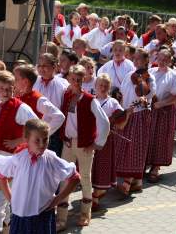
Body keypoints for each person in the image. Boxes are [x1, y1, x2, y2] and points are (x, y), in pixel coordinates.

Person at [0, 119, 80, 233]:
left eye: (45, 139)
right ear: (26, 139)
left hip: (42, 215)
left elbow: (75, 177)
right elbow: (2, 177)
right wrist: (12, 199)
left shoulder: (51, 158)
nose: (42, 144)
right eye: (37, 140)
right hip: (19, 215)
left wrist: (58, 199)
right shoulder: (19, 158)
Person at [56, 65, 110, 230]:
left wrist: (96, 143)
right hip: (68, 143)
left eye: (79, 79)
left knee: (85, 178)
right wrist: (63, 137)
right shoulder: (65, 96)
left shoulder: (89, 99)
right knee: (65, 179)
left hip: (84, 145)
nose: (76, 82)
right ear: (68, 79)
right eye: (73, 79)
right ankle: (61, 219)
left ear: (84, 80)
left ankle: (85, 214)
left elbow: (104, 122)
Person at [116, 49, 156, 194]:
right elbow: (122, 92)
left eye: (139, 59)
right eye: (135, 59)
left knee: (136, 148)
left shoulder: (149, 77)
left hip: (140, 114)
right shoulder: (129, 75)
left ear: (146, 60)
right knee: (126, 146)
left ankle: (128, 182)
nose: (136, 61)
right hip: (128, 112)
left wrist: (143, 91)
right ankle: (137, 181)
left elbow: (150, 94)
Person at [91, 73, 132, 210]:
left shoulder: (113, 103)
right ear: (95, 86)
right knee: (90, 168)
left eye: (105, 86)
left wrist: (127, 114)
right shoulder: (91, 100)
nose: (102, 88)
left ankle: (96, 195)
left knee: (102, 167)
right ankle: (92, 194)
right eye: (100, 85)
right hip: (90, 139)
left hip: (106, 141)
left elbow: (120, 124)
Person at [146, 49, 176, 182]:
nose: (162, 62)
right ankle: (146, 164)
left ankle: (156, 167)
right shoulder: (150, 72)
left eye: (165, 59)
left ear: (169, 61)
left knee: (161, 139)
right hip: (150, 109)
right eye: (160, 59)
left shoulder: (173, 76)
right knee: (149, 137)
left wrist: (161, 104)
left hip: (164, 112)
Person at [0, 71, 38, 154]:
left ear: (14, 88)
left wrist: (19, 141)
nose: (5, 92)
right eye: (2, 88)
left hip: (10, 155)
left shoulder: (20, 107)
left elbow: (38, 127)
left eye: (9, 89)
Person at [13, 64, 65, 135]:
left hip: (29, 143)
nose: (13, 81)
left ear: (25, 82)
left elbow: (59, 117)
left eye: (16, 79)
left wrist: (42, 134)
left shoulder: (37, 99)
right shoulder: (16, 96)